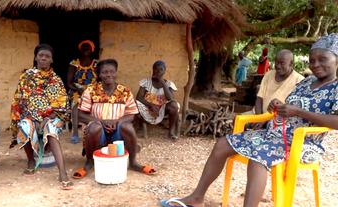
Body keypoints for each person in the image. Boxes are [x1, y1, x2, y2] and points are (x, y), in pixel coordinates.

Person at [160, 33, 338, 207]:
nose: (315, 64)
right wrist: (278, 105)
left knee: (258, 157)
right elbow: (291, 105)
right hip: (275, 135)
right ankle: (196, 198)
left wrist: (299, 112)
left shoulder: (335, 88)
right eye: (312, 60)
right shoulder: (307, 82)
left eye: (322, 59)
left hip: (303, 143)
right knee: (222, 143)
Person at [73, 59, 155, 179]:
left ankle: (133, 163)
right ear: (99, 74)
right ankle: (89, 163)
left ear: (116, 73)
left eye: (112, 72)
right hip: (98, 133)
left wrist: (117, 122)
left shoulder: (125, 91)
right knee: (95, 127)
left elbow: (132, 114)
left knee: (127, 126)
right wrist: (101, 121)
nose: (109, 75)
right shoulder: (90, 90)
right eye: (105, 72)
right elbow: (80, 114)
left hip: (118, 134)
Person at [10, 44, 73, 190]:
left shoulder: (56, 79)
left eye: (47, 56)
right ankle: (31, 161)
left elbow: (62, 104)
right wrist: (32, 118)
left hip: (51, 116)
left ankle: (62, 172)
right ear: (36, 57)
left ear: (52, 60)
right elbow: (20, 100)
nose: (44, 58)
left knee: (51, 129)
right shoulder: (26, 77)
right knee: (24, 127)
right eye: (41, 55)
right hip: (30, 116)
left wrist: (47, 117)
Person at [253, 49, 304, 128]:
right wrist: (259, 118)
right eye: (276, 62)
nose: (278, 66)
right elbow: (259, 99)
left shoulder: (300, 80)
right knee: (237, 120)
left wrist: (265, 120)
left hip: (281, 121)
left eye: (282, 63)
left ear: (291, 64)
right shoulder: (268, 75)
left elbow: (293, 110)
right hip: (259, 116)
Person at [136, 61, 180, 139]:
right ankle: (138, 129)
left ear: (165, 71)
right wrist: (150, 105)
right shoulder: (146, 82)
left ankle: (171, 132)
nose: (158, 71)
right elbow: (139, 97)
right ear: (153, 70)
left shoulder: (169, 84)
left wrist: (162, 82)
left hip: (162, 109)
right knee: (134, 104)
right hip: (147, 108)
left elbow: (170, 99)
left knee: (174, 105)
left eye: (161, 69)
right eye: (156, 69)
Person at [67, 40, 98, 144]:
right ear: (80, 49)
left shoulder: (96, 64)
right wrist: (78, 89)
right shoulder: (74, 63)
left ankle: (95, 130)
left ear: (92, 50)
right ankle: (75, 133)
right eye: (84, 47)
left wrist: (90, 91)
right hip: (77, 90)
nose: (86, 49)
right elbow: (69, 82)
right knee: (76, 103)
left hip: (92, 91)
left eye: (88, 47)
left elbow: (100, 81)